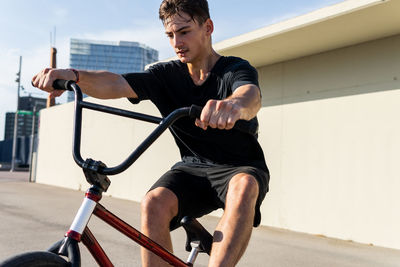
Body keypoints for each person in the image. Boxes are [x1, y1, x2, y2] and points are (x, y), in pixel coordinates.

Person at [32, 0, 269, 266]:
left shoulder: (234, 69)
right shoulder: (165, 74)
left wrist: (233, 106)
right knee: (152, 203)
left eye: (184, 31)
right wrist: (74, 75)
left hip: (239, 167)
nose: (177, 42)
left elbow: (250, 96)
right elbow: (116, 83)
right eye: (170, 35)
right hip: (192, 168)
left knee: (245, 185)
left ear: (208, 27)